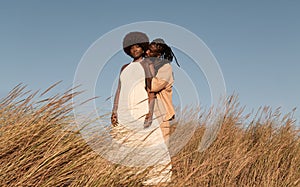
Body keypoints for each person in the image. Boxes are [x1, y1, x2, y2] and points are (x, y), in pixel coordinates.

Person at [110, 32, 172, 185]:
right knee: (124, 144)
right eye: (132, 47)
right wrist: (114, 110)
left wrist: (150, 113)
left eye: (138, 46)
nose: (135, 49)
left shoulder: (147, 64)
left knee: (148, 144)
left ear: (143, 48)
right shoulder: (124, 67)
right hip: (124, 109)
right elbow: (119, 89)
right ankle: (127, 179)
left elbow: (151, 90)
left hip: (140, 106)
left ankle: (153, 181)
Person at [145, 38, 179, 145]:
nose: (147, 52)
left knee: (160, 149)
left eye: (150, 51)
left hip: (160, 112)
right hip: (147, 111)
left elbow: (153, 86)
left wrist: (147, 69)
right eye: (147, 49)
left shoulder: (166, 68)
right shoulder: (150, 66)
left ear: (158, 55)